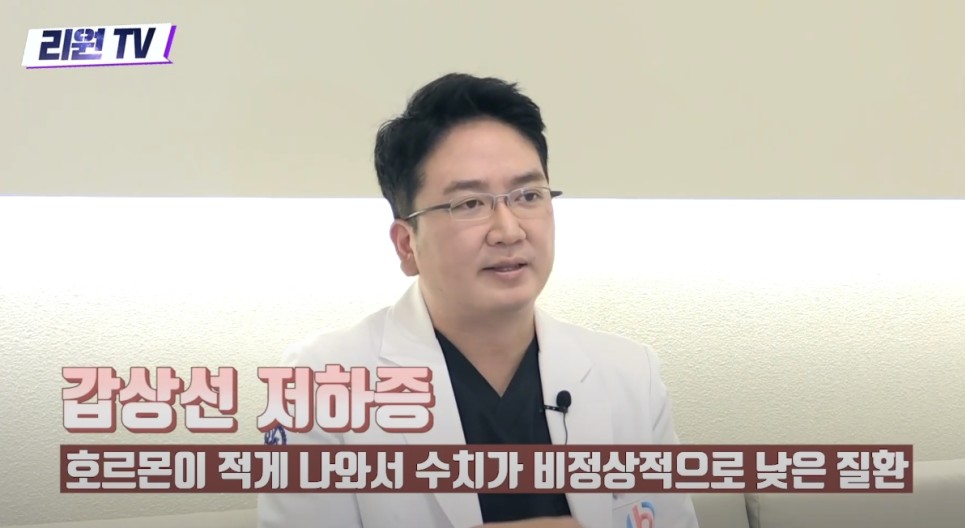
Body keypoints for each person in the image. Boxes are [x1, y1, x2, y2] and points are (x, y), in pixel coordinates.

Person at [257, 73, 699, 528]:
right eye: (469, 204)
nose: (509, 230)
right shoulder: (319, 385)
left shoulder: (631, 375)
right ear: (407, 245)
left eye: (528, 196)